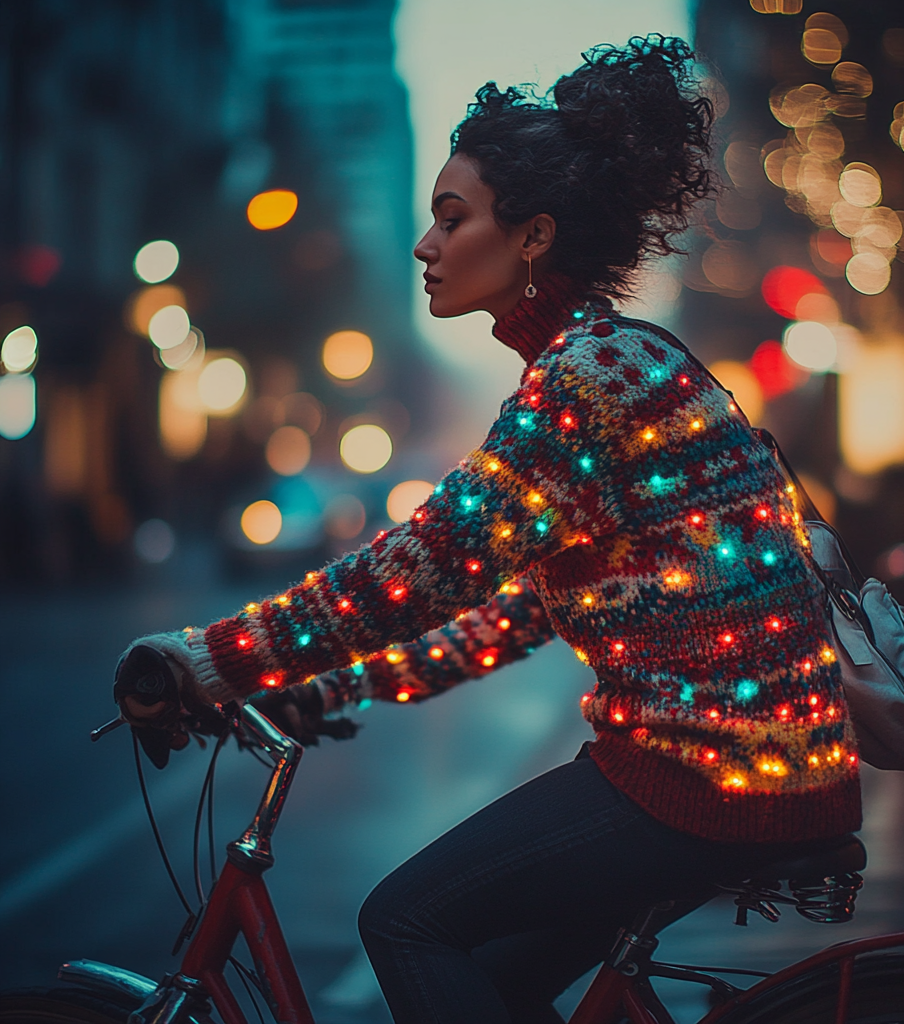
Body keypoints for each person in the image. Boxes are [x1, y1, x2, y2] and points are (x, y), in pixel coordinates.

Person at [115, 36, 861, 1024]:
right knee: (499, 977)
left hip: (705, 773)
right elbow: (505, 618)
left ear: (533, 236)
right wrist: (330, 685)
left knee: (407, 921)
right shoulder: (606, 360)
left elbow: (418, 574)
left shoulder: (586, 378)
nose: (424, 244)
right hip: (757, 764)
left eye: (451, 217)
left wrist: (209, 659)